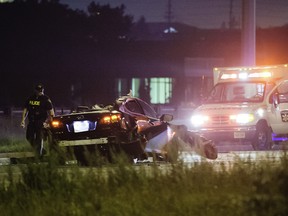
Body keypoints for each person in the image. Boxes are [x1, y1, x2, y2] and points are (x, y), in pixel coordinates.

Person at [20, 83, 55, 157]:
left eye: (41, 91)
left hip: (41, 121)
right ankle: (41, 150)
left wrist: (48, 122)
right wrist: (23, 120)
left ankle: (39, 155)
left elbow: (51, 112)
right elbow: (25, 110)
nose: (40, 92)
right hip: (32, 121)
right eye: (38, 91)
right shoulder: (30, 98)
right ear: (35, 91)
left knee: (39, 138)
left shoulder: (46, 99)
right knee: (29, 137)